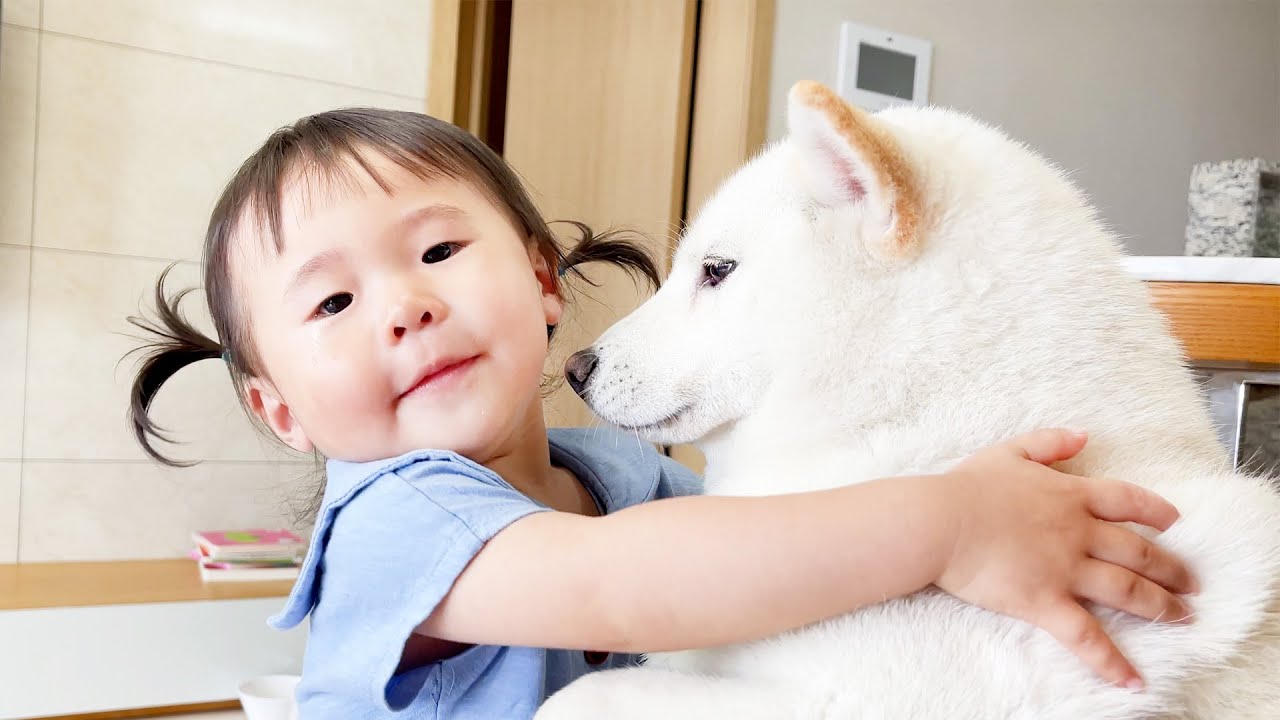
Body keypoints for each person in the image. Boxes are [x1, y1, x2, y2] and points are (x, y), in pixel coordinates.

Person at [126, 108, 1195, 717]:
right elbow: (623, 593)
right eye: (332, 302)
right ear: (282, 412)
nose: (402, 306)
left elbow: (777, 563)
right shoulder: (393, 523)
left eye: (438, 251)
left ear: (544, 283)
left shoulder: (619, 476)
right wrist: (951, 524)